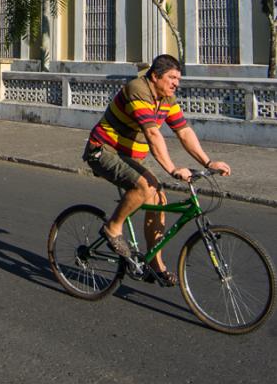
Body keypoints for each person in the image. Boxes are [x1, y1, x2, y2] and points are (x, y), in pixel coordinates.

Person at [83, 54, 231, 285]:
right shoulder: (138, 90)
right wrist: (172, 169)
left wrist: (208, 162)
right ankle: (112, 228)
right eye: (172, 77)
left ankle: (155, 263)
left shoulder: (167, 99)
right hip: (102, 151)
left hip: (129, 158)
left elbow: (183, 131)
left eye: (178, 79)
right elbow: (152, 133)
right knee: (146, 186)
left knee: (159, 198)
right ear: (155, 76)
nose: (176, 83)